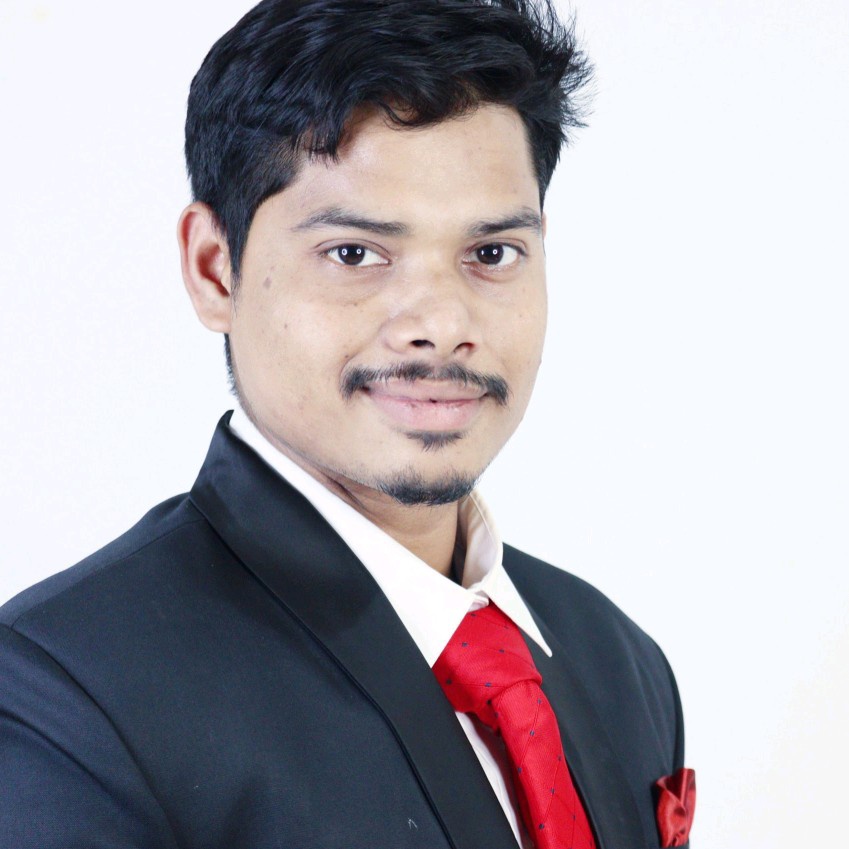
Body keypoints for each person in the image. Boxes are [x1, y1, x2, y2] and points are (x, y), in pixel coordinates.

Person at [0, 1, 694, 847]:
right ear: (215, 269)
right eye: (355, 254)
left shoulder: (620, 664)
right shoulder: (64, 695)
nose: (440, 323)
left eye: (490, 254)